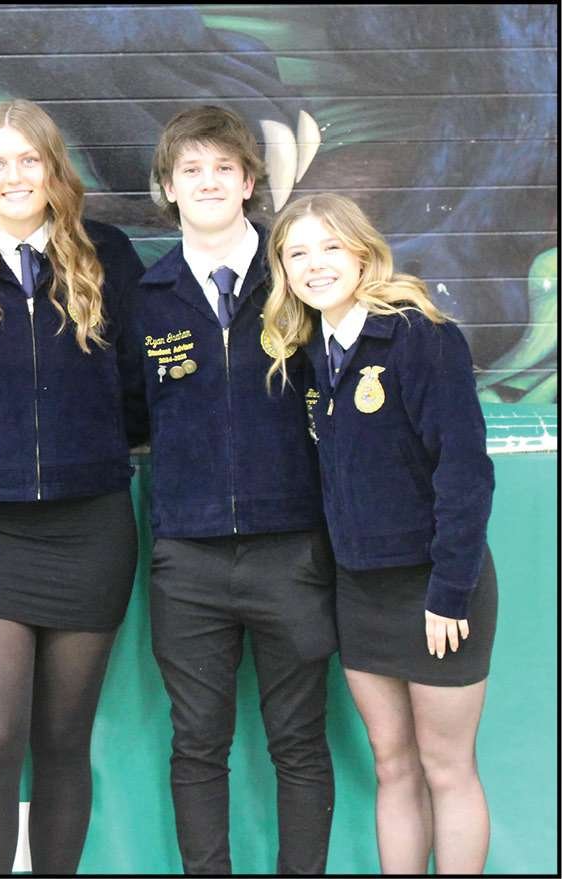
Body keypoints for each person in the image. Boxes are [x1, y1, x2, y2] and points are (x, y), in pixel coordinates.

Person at [0, 98, 144, 873]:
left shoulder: (108, 255)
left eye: (28, 159)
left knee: (64, 739)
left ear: (53, 168)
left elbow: (140, 385)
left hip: (91, 527)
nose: (14, 176)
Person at [126, 106, 337, 874]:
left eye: (224, 168)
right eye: (192, 169)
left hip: (292, 551)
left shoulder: (298, 279)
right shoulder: (145, 295)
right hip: (189, 557)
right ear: (168, 187)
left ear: (250, 182)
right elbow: (128, 411)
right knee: (197, 742)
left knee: (298, 741)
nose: (208, 182)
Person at [264, 192, 497, 874]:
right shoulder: (310, 353)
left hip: (436, 591)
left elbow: (465, 473)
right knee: (392, 765)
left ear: (363, 253)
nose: (315, 264)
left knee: (446, 767)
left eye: (330, 247)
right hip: (361, 592)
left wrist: (450, 591)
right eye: (297, 253)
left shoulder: (421, 336)